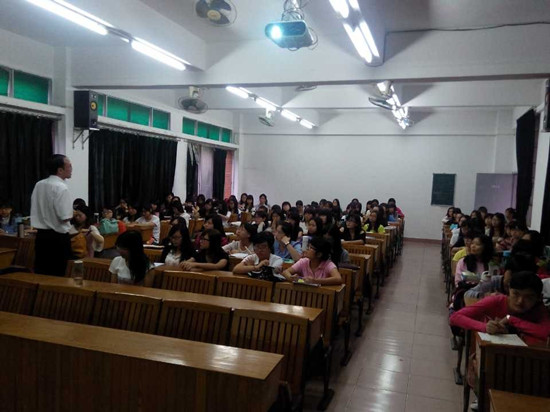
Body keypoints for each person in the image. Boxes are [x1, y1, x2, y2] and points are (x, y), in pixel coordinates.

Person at [450, 271, 550, 340]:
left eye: (528, 297)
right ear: (508, 290)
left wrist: (511, 319)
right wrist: (485, 327)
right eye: (515, 294)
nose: (520, 301)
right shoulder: (496, 301)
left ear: (539, 298)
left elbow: (546, 332)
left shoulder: (538, 308)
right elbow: (455, 317)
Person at [30, 154, 73, 276]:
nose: (71, 169)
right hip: (58, 239)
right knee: (59, 276)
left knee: (42, 274)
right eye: (69, 166)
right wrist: (73, 214)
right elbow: (65, 217)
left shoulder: (39, 184)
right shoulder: (62, 188)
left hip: (41, 237)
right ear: (60, 170)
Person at [464, 253, 538, 300]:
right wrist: (485, 295)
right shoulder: (494, 281)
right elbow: (468, 294)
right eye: (511, 274)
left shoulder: (529, 288)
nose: (513, 279)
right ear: (504, 271)